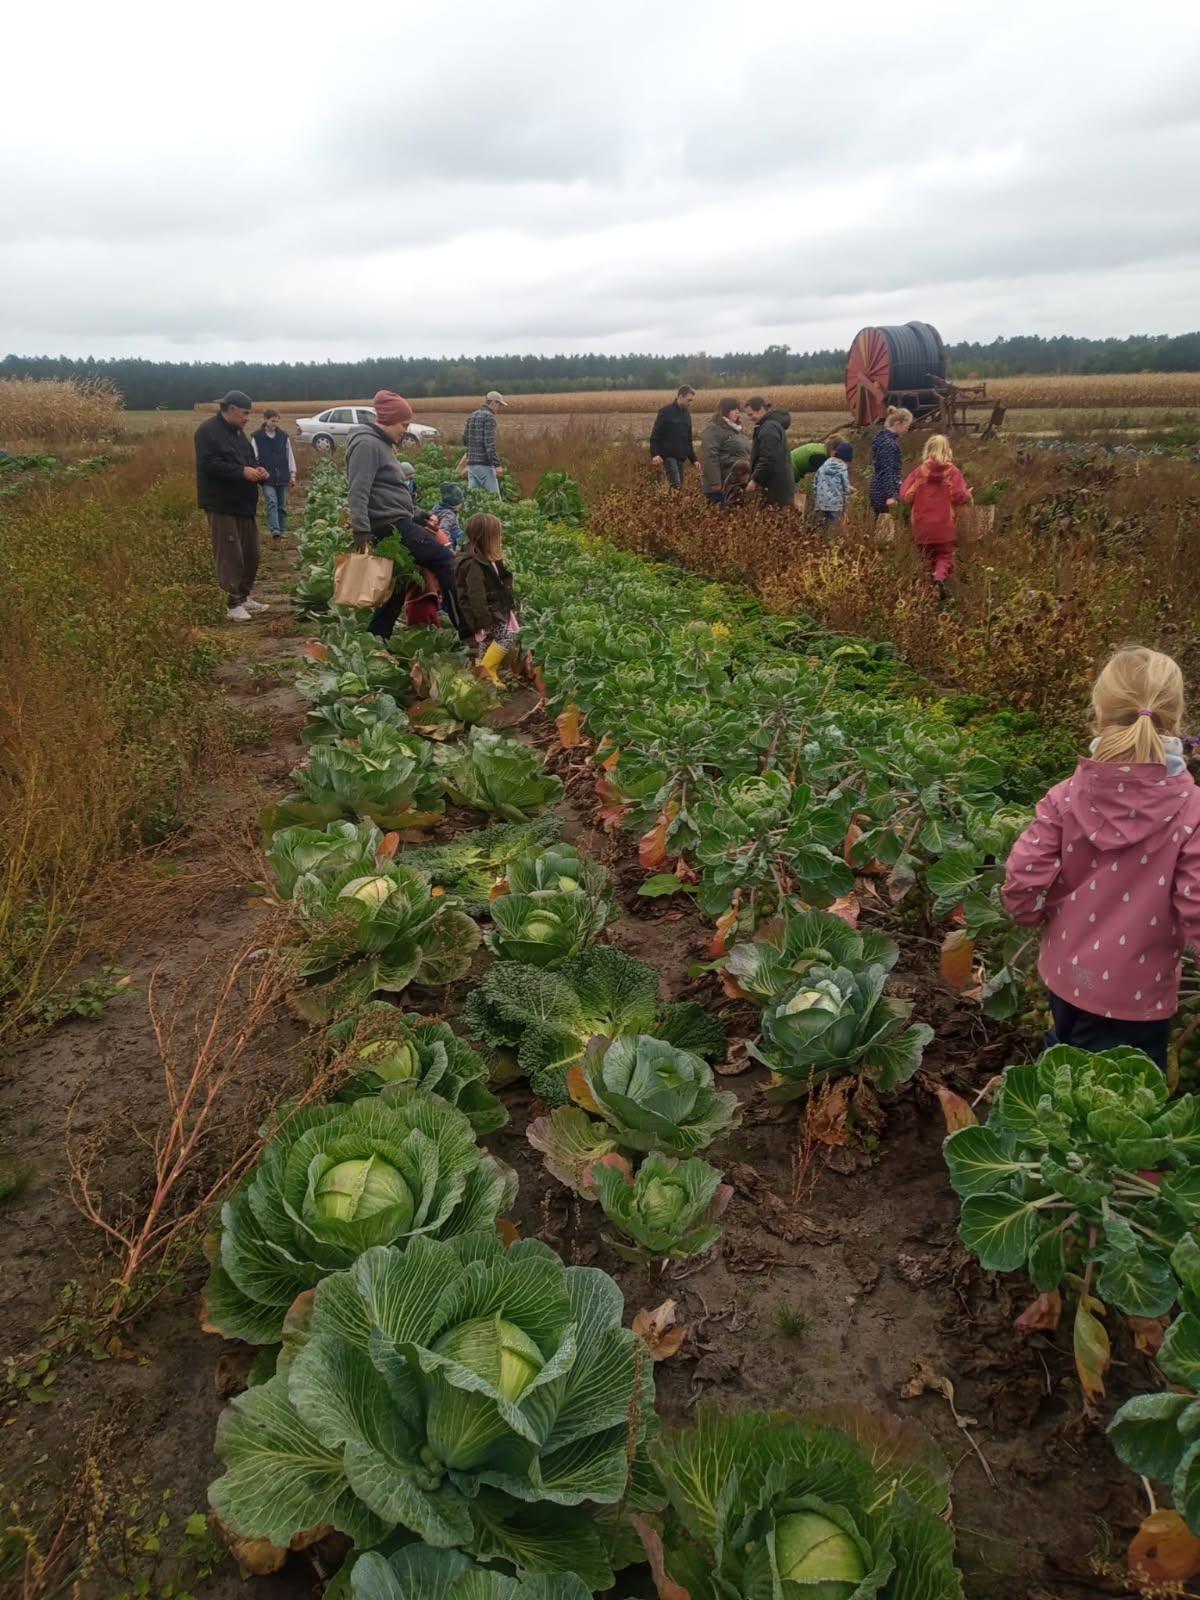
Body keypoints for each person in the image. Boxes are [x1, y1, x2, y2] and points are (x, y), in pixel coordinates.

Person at [1002, 647, 1200, 1072]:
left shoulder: (1065, 796)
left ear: (1099, 711)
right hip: (1137, 999)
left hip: (1064, 975)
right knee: (1117, 1111)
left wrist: (1028, 916)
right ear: (1177, 718)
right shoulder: (1191, 811)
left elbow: (1023, 876)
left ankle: (1041, 1120)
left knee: (1062, 1062)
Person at [346, 389, 461, 638]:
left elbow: (389, 493)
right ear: (387, 420)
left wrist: (419, 515)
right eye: (403, 424)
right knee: (444, 560)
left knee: (400, 579)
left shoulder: (382, 444)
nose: (405, 430)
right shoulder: (366, 444)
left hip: (397, 521)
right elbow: (358, 490)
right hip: (389, 526)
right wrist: (361, 531)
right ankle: (468, 631)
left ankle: (378, 636)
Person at [194, 389, 270, 622]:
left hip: (244, 503)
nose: (248, 418)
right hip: (222, 504)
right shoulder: (207, 432)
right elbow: (209, 465)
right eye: (245, 413)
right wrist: (240, 472)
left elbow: (249, 461)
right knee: (230, 555)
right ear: (232, 409)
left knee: (252, 553)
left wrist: (259, 471)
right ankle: (231, 603)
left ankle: (244, 596)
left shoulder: (239, 434)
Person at [899, 435, 972, 594]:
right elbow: (959, 495)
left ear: (928, 450)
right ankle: (939, 579)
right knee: (945, 555)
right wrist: (968, 495)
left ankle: (928, 592)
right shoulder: (952, 472)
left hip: (921, 523)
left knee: (926, 558)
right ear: (948, 451)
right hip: (944, 523)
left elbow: (905, 495)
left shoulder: (918, 473)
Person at [454, 512, 518, 687]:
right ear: (487, 538)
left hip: (492, 609)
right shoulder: (473, 564)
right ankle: (487, 670)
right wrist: (484, 619)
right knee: (506, 637)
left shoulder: (486, 559)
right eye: (497, 536)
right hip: (488, 612)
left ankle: (481, 677)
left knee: (487, 642)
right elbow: (475, 595)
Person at [251, 409, 297, 540]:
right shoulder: (257, 437)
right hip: (267, 478)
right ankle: (275, 531)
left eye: (277, 421)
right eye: (272, 421)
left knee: (282, 505)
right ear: (265, 420)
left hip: (282, 476)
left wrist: (292, 474)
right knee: (271, 501)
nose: (274, 423)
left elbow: (289, 456)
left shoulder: (283, 436)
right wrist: (257, 471)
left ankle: (282, 530)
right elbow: (253, 457)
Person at [699, 398, 751, 505]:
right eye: (733, 409)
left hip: (738, 483)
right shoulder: (714, 429)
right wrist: (715, 482)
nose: (737, 412)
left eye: (738, 409)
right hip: (721, 485)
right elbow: (710, 456)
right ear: (724, 411)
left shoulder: (737, 430)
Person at [745, 397, 794, 506]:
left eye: (751, 414)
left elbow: (768, 458)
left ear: (760, 410)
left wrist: (755, 480)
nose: (750, 418)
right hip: (777, 487)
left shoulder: (769, 428)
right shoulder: (770, 425)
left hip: (774, 489)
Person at [869, 406, 913, 519]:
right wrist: (890, 495)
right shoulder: (888, 444)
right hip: (883, 494)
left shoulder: (883, 440)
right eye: (907, 425)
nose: (908, 428)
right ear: (898, 423)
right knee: (885, 531)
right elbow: (887, 470)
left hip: (879, 490)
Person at [650, 386, 697, 488]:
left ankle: (671, 503)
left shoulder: (687, 415)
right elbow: (655, 435)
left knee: (679, 488)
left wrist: (694, 459)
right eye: (688, 400)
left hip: (681, 457)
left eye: (692, 401)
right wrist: (655, 454)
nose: (690, 403)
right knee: (676, 485)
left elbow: (688, 440)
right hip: (668, 456)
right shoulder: (665, 412)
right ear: (680, 396)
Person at [462, 391, 508, 494]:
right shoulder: (489, 418)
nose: (499, 408)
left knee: (473, 500)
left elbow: (465, 439)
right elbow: (489, 444)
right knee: (494, 499)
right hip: (485, 465)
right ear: (493, 403)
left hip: (472, 465)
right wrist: (497, 465)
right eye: (499, 405)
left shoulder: (472, 415)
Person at [812, 441, 854, 531]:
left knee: (819, 528)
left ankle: (818, 542)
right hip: (836, 505)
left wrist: (817, 497)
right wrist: (846, 505)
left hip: (820, 503)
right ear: (847, 459)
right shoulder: (842, 469)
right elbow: (846, 488)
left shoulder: (823, 466)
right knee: (834, 529)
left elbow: (815, 482)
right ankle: (830, 543)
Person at [433, 482, 466, 548]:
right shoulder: (448, 515)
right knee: (463, 536)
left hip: (436, 535)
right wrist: (449, 546)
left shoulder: (438, 508)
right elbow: (443, 531)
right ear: (455, 504)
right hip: (448, 540)